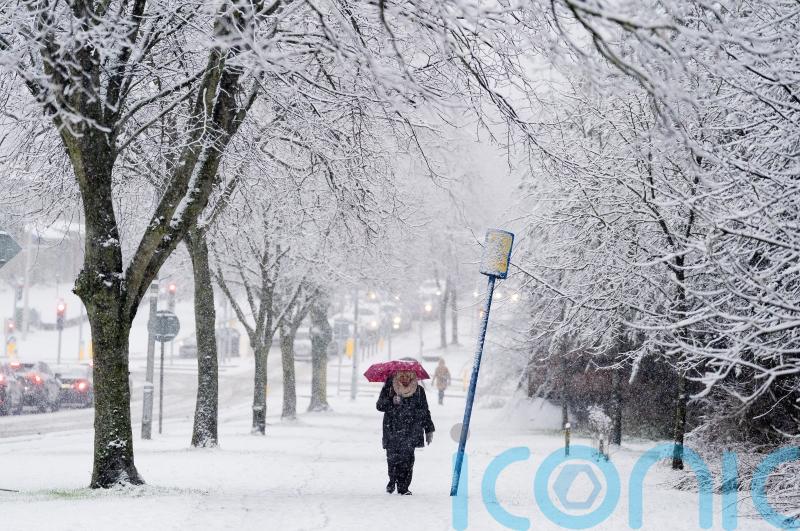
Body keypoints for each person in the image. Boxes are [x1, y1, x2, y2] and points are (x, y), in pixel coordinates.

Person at [376, 370, 435, 495]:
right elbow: (380, 406)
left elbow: (425, 410)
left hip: (411, 430)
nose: (405, 378)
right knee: (392, 459)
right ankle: (392, 480)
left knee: (407, 460)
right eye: (402, 375)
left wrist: (429, 429)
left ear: (413, 377)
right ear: (396, 376)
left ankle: (403, 487)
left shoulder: (419, 391)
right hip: (392, 429)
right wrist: (391, 401)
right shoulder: (390, 388)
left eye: (408, 376)